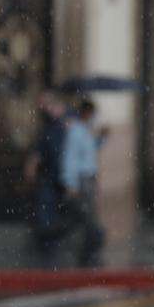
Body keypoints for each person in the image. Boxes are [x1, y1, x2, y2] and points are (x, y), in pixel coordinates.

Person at [60, 98, 108, 267]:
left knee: (86, 213)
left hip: (89, 178)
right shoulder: (76, 132)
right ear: (86, 113)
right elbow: (70, 158)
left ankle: (86, 250)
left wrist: (102, 139)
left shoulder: (87, 131)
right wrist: (70, 183)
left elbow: (91, 150)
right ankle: (84, 251)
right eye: (93, 114)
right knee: (86, 215)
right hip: (81, 179)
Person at [24, 90, 68, 255]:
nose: (41, 108)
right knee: (47, 212)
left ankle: (51, 243)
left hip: (59, 175)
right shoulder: (50, 127)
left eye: (44, 104)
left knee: (55, 211)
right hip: (50, 175)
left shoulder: (65, 124)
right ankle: (47, 244)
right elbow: (39, 151)